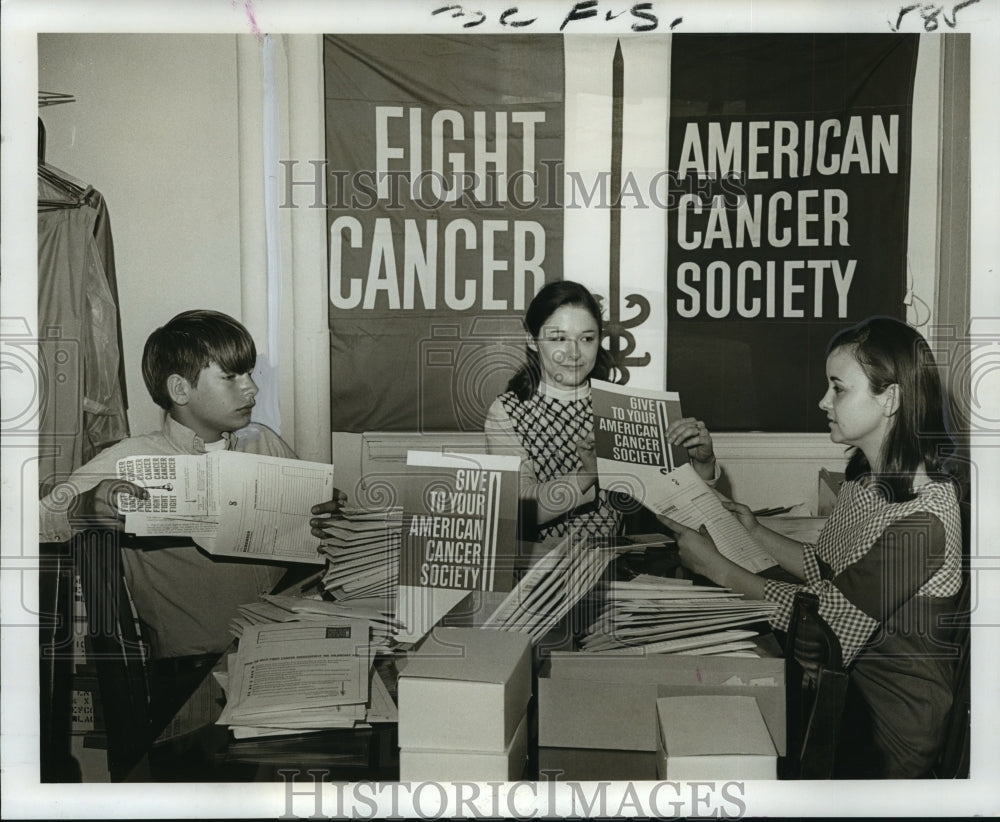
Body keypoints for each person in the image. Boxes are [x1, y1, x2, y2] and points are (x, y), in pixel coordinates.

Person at [659, 316, 964, 778]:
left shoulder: (924, 521)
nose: (824, 401)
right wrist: (755, 531)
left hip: (882, 735)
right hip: (843, 695)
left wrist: (721, 570)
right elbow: (825, 571)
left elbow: (823, 631)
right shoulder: (867, 482)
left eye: (839, 389)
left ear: (891, 399)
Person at [39, 310, 346, 726]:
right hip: (193, 672)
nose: (251, 388)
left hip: (286, 646)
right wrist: (83, 507)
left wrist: (330, 519)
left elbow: (314, 542)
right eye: (232, 377)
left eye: (249, 374)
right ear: (180, 389)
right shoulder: (128, 458)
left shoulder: (265, 442)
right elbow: (32, 520)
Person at [485, 280, 719, 541]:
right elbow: (518, 510)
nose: (574, 353)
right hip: (539, 571)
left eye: (586, 338)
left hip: (616, 569)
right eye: (559, 338)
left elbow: (685, 510)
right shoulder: (507, 411)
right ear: (531, 339)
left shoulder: (621, 406)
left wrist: (703, 463)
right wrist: (588, 475)